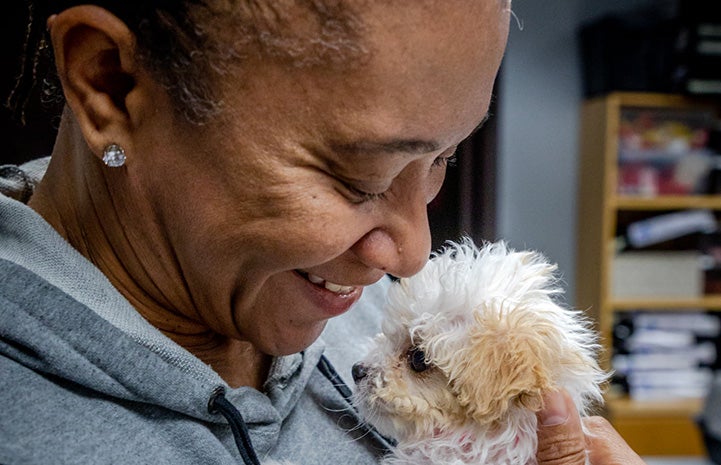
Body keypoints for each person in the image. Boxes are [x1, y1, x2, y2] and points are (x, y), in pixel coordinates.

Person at [0, 0, 647, 464]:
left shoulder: (339, 296)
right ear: (110, 83)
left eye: (442, 160)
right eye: (358, 178)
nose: (412, 255)